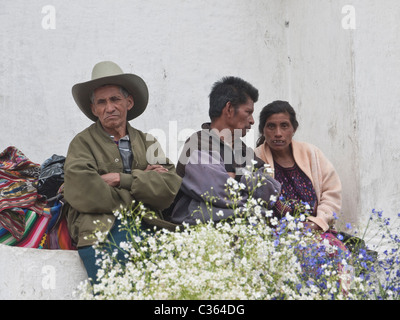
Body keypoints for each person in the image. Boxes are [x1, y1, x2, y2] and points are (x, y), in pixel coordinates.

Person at [63, 61, 182, 282]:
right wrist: (144, 180)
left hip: (149, 226)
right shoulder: (82, 143)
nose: (109, 107)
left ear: (129, 102)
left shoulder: (148, 141)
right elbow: (85, 191)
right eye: (101, 102)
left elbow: (169, 188)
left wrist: (120, 179)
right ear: (94, 109)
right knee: (115, 292)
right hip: (100, 231)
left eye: (115, 99)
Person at [164, 76, 283, 225]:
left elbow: (271, 191)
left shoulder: (244, 151)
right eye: (248, 112)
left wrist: (238, 178)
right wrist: (252, 188)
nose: (252, 120)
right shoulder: (198, 144)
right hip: (201, 236)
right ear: (229, 109)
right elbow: (220, 194)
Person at [254, 100, 342, 233]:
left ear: (293, 129)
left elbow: (331, 192)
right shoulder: (255, 159)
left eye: (284, 126)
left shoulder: (311, 153)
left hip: (315, 231)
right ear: (262, 130)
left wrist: (317, 222)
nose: (278, 133)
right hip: (276, 236)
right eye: (271, 126)